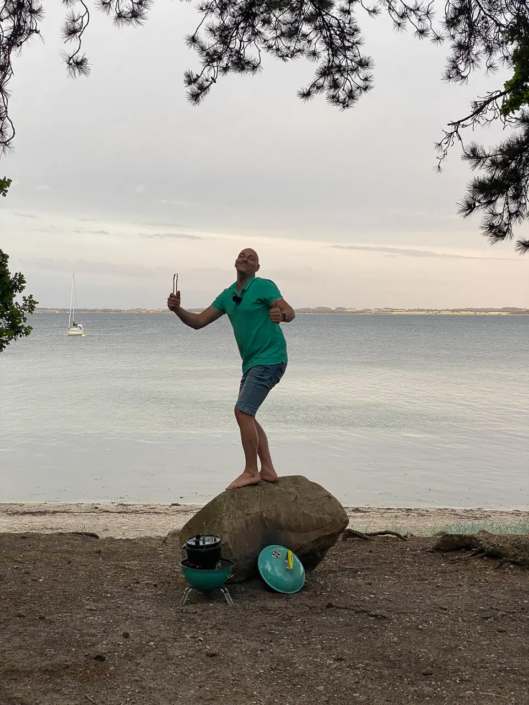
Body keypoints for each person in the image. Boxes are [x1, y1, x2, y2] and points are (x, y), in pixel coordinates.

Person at [167, 248, 295, 490]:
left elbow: (289, 310)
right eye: (242, 256)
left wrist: (283, 315)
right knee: (247, 413)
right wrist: (177, 310)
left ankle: (251, 471)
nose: (245, 259)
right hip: (252, 363)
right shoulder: (228, 295)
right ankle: (267, 469)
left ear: (257, 268)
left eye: (252, 258)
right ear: (235, 262)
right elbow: (197, 322)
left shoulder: (263, 286)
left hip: (271, 358)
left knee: (242, 412)